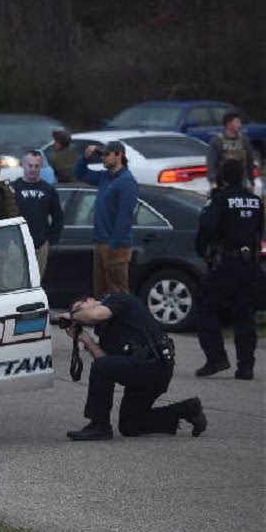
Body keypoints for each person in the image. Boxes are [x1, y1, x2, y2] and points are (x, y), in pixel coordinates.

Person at [58, 293, 205, 441]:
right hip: (141, 371)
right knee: (130, 425)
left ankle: (99, 425)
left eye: (78, 309)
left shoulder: (117, 299)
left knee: (101, 367)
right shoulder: (105, 331)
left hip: (154, 366)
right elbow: (107, 363)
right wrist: (86, 339)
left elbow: (97, 314)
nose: (79, 315)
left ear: (90, 300)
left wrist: (71, 316)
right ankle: (188, 409)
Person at [194, 160, 263, 380]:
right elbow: (259, 231)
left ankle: (216, 358)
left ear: (223, 177)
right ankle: (246, 367)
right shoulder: (255, 201)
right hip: (249, 265)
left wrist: (203, 249)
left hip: (226, 264)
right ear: (242, 176)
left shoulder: (221, 199)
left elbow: (207, 226)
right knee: (244, 315)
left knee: (204, 307)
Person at [73, 141, 137, 297]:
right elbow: (79, 174)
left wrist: (114, 245)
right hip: (101, 242)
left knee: (117, 290)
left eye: (107, 155)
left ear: (119, 155)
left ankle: (123, 321)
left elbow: (125, 215)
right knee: (101, 291)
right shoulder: (105, 177)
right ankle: (104, 322)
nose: (103, 158)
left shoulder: (126, 181)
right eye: (101, 155)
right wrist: (85, 157)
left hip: (116, 245)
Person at [11, 150, 64, 278]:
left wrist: (49, 240)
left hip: (39, 245)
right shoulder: (13, 188)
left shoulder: (48, 190)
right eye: (30, 165)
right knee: (16, 282)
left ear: (41, 167)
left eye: (36, 166)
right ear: (23, 165)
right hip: (16, 245)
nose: (33, 169)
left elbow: (58, 217)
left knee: (36, 282)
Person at [206, 113, 258, 194]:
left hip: (241, 183)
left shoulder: (244, 140)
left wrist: (251, 181)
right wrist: (213, 182)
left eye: (240, 123)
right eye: (236, 122)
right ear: (228, 124)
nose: (239, 125)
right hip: (222, 183)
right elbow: (211, 163)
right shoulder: (217, 141)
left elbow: (250, 161)